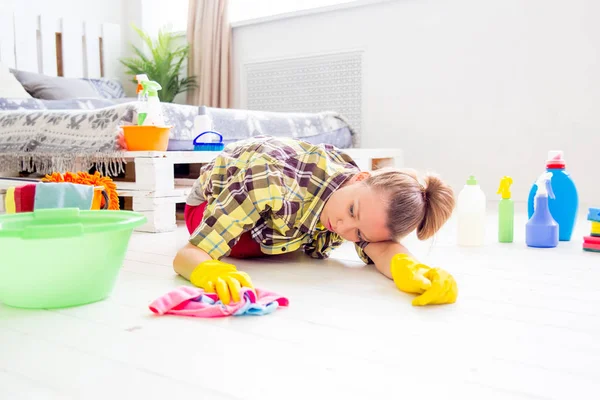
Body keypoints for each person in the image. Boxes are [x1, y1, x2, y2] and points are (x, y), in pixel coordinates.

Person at [173, 135, 458, 306]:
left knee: (350, 228)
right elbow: (188, 255)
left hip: (282, 218)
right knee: (232, 248)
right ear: (360, 178)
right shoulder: (270, 179)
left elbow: (381, 248)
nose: (344, 229)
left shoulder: (361, 199)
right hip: (210, 202)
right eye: (351, 211)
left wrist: (410, 268)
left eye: (359, 234)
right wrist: (209, 271)